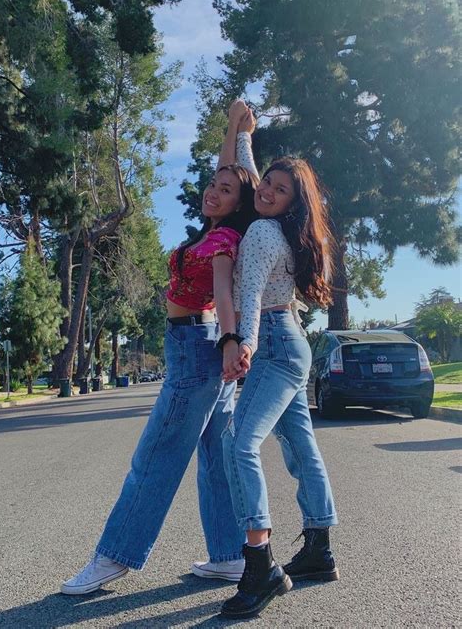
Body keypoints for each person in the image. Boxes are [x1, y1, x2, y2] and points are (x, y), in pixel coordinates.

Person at [60, 100, 258, 595]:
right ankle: (232, 556)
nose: (214, 191)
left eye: (226, 190)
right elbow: (225, 170)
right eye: (212, 185)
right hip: (198, 342)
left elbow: (226, 293)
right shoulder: (216, 226)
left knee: (156, 455)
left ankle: (114, 556)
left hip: (198, 346)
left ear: (240, 202)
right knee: (215, 454)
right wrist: (235, 126)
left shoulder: (223, 242)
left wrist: (234, 339)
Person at [217, 103, 339, 619]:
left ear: (292, 204)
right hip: (291, 342)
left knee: (238, 442)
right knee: (300, 444)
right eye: (266, 181)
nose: (265, 190)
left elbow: (247, 293)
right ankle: (318, 547)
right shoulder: (281, 226)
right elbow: (252, 178)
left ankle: (260, 563)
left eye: (278, 190)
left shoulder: (264, 233)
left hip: (270, 341)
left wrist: (241, 345)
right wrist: (246, 136)